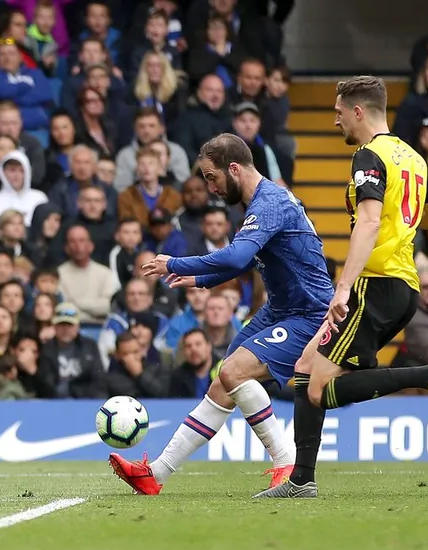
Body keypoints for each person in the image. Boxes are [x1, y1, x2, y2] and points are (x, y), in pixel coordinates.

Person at [256, 76, 428, 499]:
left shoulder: (370, 155)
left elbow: (367, 222)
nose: (336, 120)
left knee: (317, 388)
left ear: (359, 111)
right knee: (305, 368)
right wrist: (400, 221)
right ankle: (301, 480)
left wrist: (343, 287)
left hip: (376, 284)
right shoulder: (413, 157)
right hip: (402, 284)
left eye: (339, 112)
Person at [108, 133, 334, 496]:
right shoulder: (260, 203)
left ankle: (288, 463)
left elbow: (236, 256)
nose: (211, 187)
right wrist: (199, 278)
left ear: (234, 169)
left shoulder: (270, 203)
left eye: (212, 177)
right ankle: (156, 475)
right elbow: (242, 262)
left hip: (309, 314)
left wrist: (175, 262)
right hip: (280, 310)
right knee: (224, 382)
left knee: (233, 372)